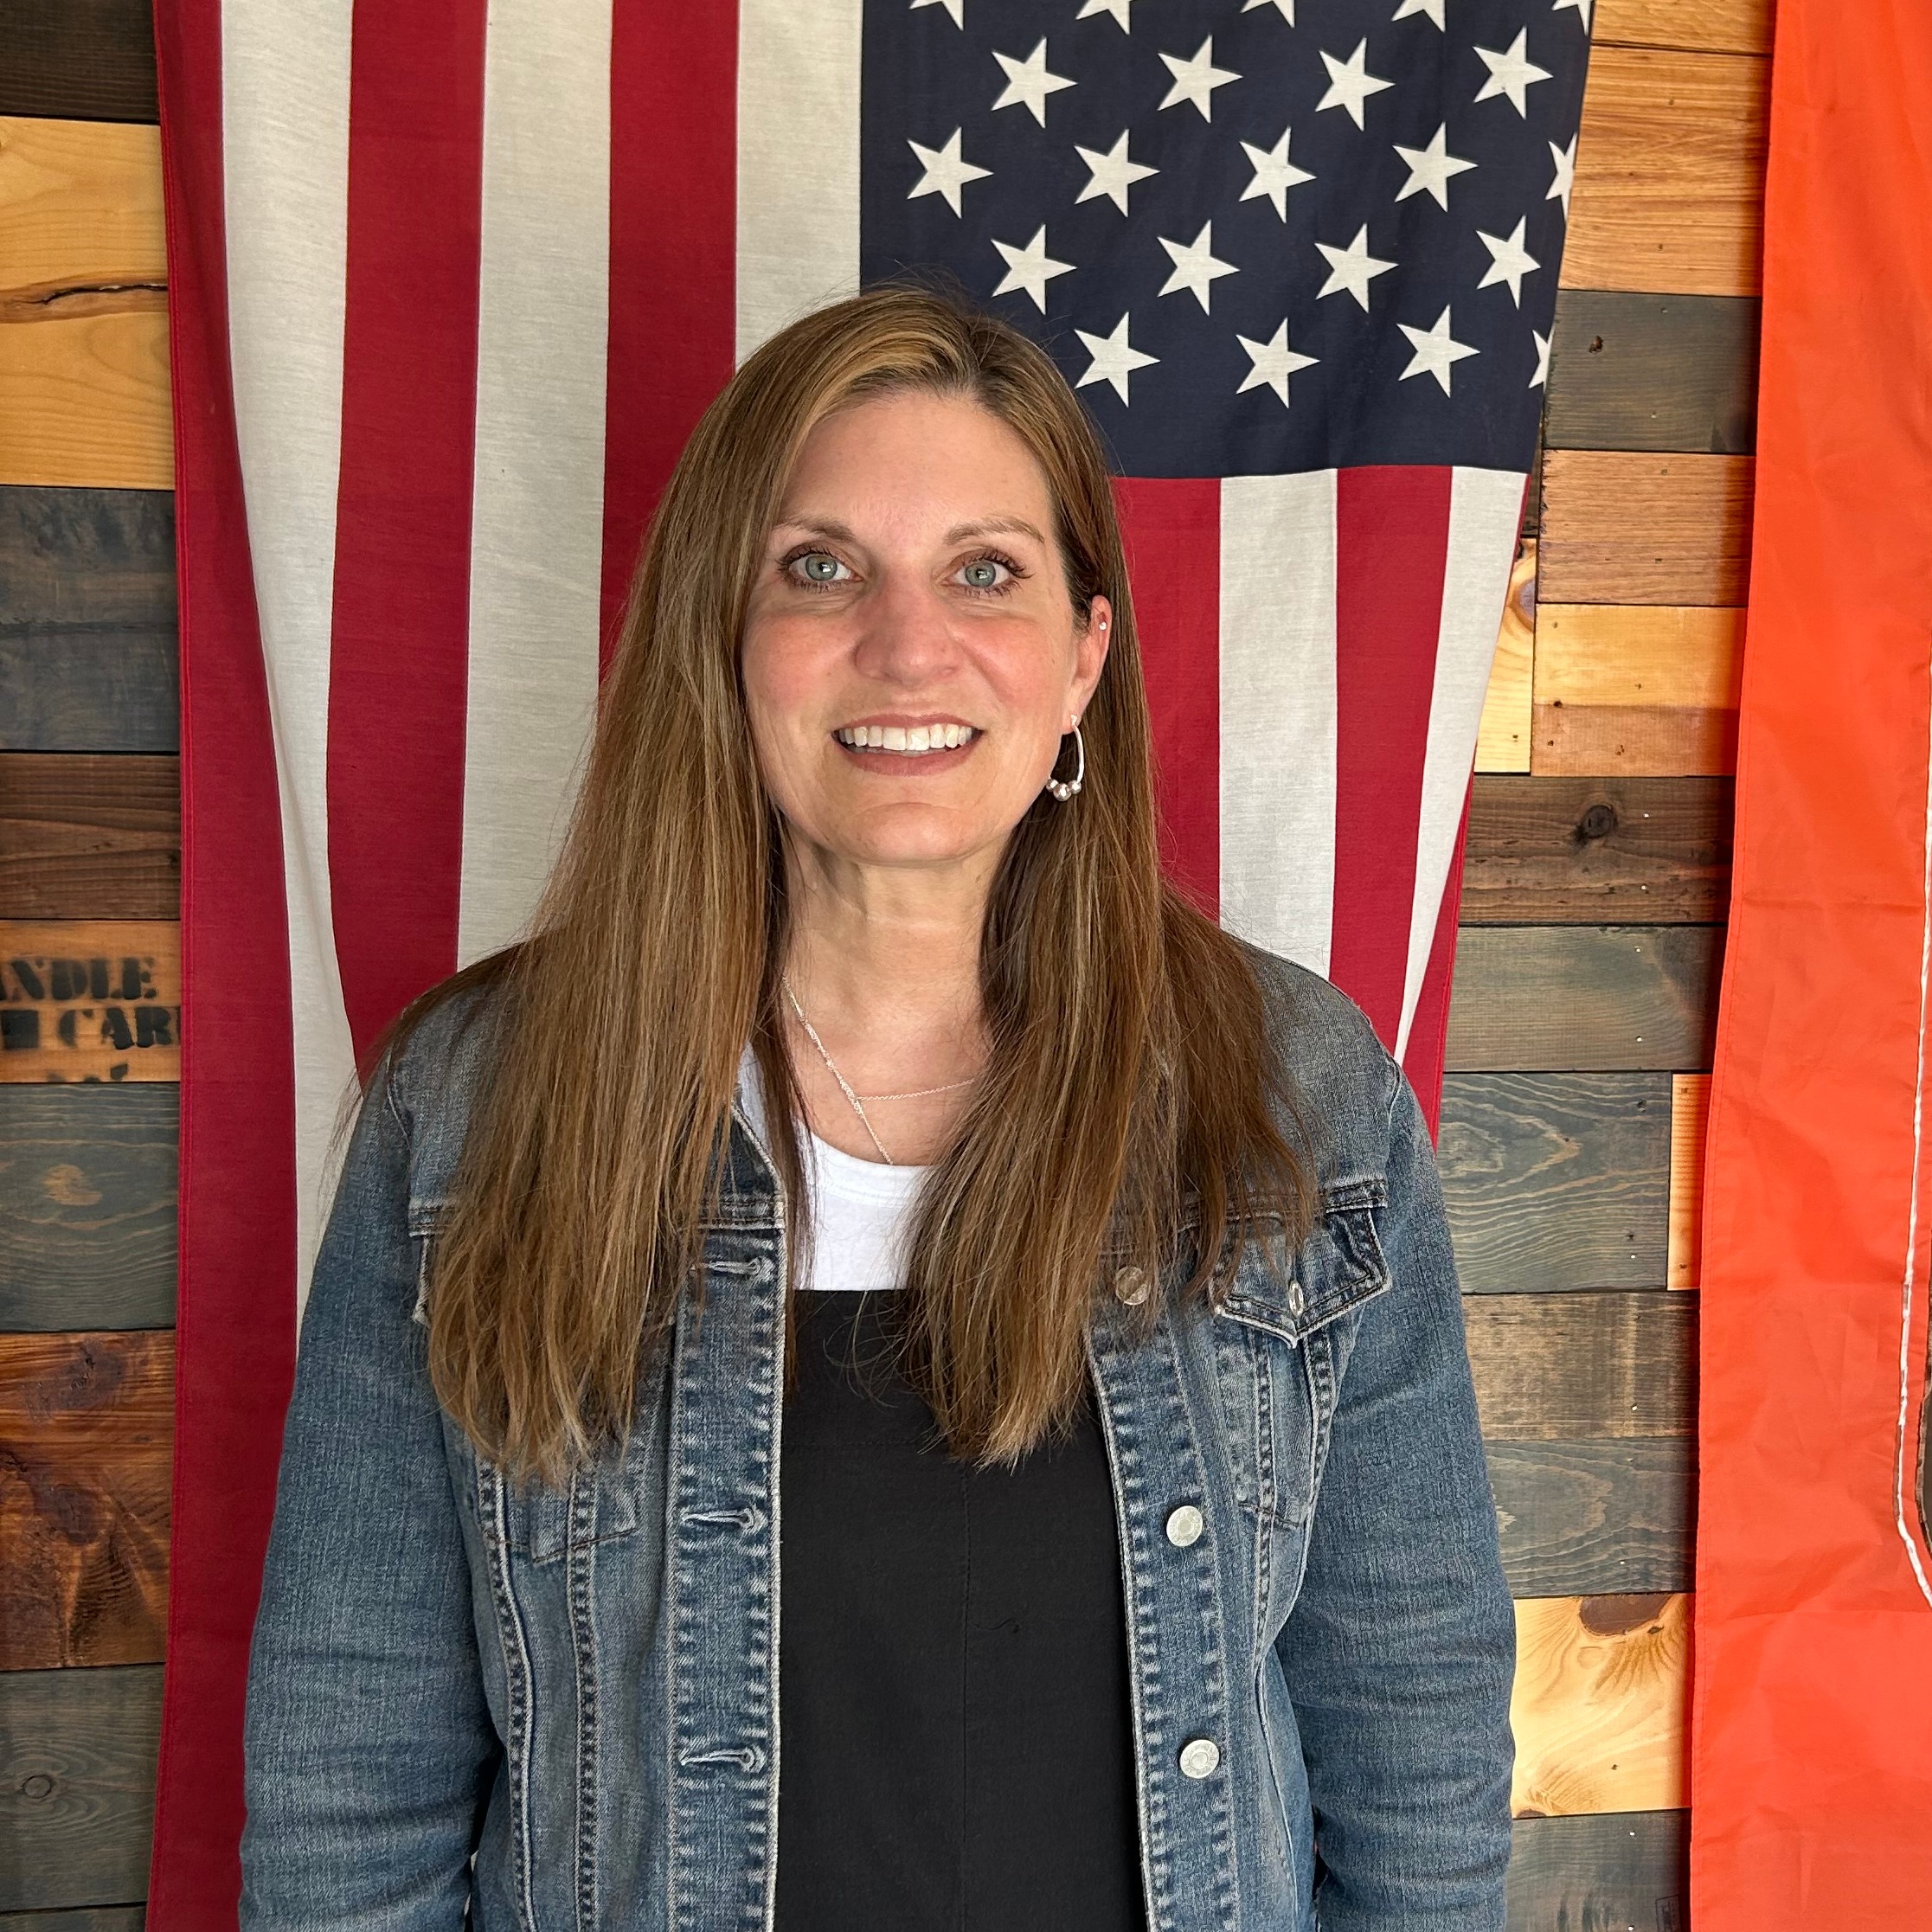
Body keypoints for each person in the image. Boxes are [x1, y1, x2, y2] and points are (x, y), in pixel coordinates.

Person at [239, 280, 1515, 1931]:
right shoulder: (482, 1107)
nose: (907, 646)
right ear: (723, 638)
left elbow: (1410, 1716)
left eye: (985, 570)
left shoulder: (1295, 1095)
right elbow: (353, 1762)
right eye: (819, 567)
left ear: (1080, 661)